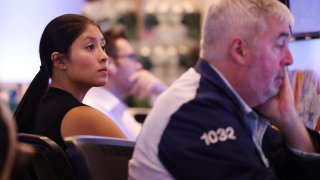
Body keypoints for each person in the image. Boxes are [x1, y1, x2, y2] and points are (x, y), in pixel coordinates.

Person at [129, 0, 320, 179]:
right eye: (280, 45)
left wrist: (287, 117)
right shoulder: (195, 114)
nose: (289, 59)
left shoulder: (236, 105)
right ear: (240, 50)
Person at [13, 14, 126, 149]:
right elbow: (141, 166)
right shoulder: (81, 116)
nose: (104, 57)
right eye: (90, 47)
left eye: (103, 46)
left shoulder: (41, 107)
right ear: (60, 61)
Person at [84, 27, 166, 140]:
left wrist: (160, 93)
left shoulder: (119, 110)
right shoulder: (94, 110)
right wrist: (163, 94)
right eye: (132, 58)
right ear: (109, 63)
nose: (139, 66)